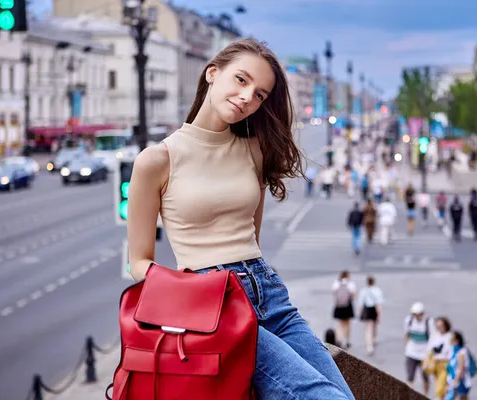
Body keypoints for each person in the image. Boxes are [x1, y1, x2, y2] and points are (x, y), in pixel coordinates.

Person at [127, 39, 354, 399]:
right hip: (214, 304)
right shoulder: (157, 160)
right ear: (212, 73)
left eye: (261, 94)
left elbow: (252, 237)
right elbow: (139, 260)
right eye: (241, 80)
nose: (248, 96)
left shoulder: (255, 150)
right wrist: (188, 291)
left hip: (270, 294)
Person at [405, 302, 434, 395]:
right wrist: (407, 348)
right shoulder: (409, 321)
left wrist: (429, 356)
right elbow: (407, 334)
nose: (417, 316)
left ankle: (425, 394)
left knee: (425, 377)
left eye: (419, 314)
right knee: (410, 377)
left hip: (424, 354)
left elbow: (432, 339)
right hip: (411, 353)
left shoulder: (428, 322)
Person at [424, 317, 453, 400]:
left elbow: (451, 353)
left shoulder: (450, 336)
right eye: (438, 326)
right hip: (435, 364)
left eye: (441, 326)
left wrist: (440, 358)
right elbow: (429, 349)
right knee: (439, 382)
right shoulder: (435, 335)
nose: (439, 328)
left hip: (445, 364)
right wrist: (426, 361)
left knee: (441, 385)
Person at [358, 276, 384, 355]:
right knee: (374, 326)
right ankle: (373, 340)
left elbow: (361, 303)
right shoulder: (377, 290)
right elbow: (378, 303)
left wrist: (360, 313)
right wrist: (379, 314)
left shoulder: (363, 291)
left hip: (367, 309)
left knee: (368, 328)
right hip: (374, 309)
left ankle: (369, 344)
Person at [332, 271, 356, 349]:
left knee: (340, 324)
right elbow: (352, 295)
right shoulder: (350, 284)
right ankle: (347, 341)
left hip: (339, 306)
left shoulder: (336, 283)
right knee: (347, 323)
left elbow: (334, 294)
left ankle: (339, 339)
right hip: (347, 306)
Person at [445, 331, 472, 400]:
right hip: (452, 378)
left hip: (460, 381)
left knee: (461, 397)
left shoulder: (461, 352)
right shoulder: (452, 351)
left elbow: (461, 368)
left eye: (452, 338)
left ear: (457, 340)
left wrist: (455, 381)